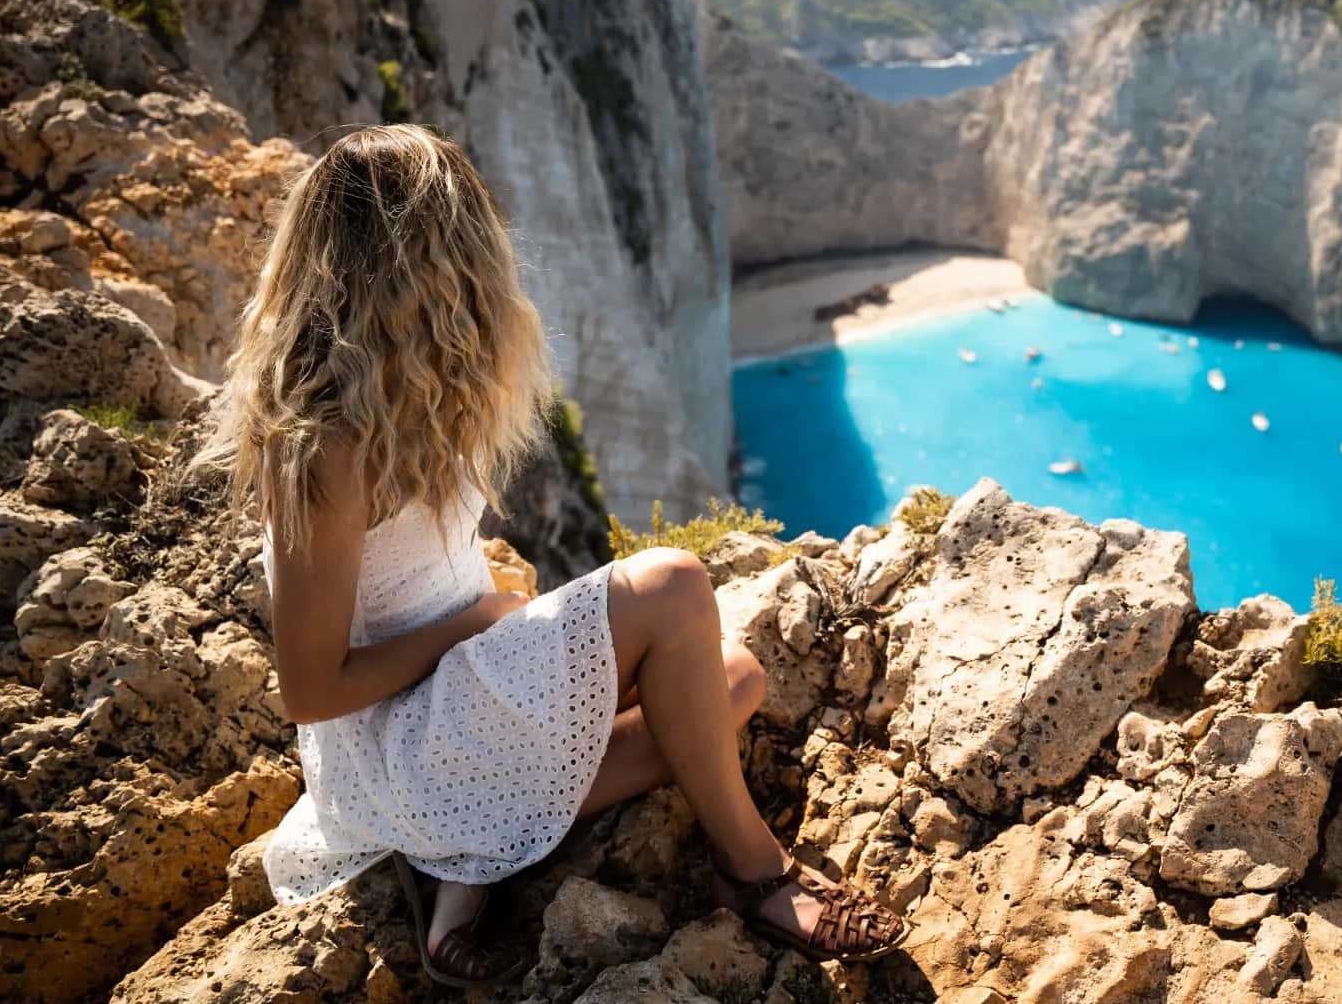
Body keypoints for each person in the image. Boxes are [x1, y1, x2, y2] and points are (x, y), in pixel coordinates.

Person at [191, 124, 909, 986]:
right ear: (428, 260)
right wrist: (481, 618)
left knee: (733, 679)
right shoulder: (322, 448)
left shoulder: (408, 399)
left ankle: (464, 854)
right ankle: (754, 874)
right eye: (467, 235)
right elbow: (309, 690)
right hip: (400, 741)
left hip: (458, 692)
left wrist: (484, 628)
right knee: (675, 580)